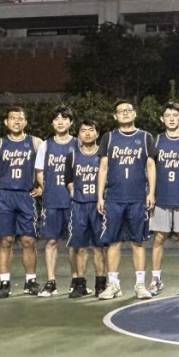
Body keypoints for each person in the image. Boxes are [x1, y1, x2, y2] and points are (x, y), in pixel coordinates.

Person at [96, 100, 157, 300]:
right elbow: (103, 168)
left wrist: (151, 192)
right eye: (121, 111)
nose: (125, 113)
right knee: (113, 242)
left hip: (137, 198)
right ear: (115, 116)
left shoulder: (145, 137)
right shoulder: (108, 138)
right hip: (114, 198)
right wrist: (100, 196)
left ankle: (140, 284)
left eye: (128, 110)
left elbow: (150, 166)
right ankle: (113, 284)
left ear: (135, 113)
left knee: (137, 242)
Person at [0, 107, 43, 298]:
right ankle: (4, 282)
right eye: (12, 118)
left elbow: (44, 167)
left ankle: (30, 281)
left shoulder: (36, 142)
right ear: (6, 122)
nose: (16, 121)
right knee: (6, 240)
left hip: (25, 195)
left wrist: (42, 187)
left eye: (20, 118)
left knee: (29, 240)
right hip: (5, 196)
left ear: (25, 122)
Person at [150, 102, 179, 296]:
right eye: (168, 115)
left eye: (175, 115)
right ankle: (156, 280)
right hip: (162, 197)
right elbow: (150, 168)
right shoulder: (157, 140)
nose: (171, 118)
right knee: (159, 238)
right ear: (162, 119)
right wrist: (150, 192)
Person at [35, 106, 76, 297]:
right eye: (57, 119)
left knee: (74, 242)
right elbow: (39, 171)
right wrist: (48, 189)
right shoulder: (45, 145)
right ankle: (51, 282)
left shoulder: (78, 143)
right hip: (52, 200)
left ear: (70, 122)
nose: (60, 122)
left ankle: (76, 280)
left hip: (74, 201)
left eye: (64, 118)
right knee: (51, 241)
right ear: (52, 123)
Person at [65, 121, 106, 298]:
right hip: (79, 206)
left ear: (97, 133)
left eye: (91, 130)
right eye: (83, 131)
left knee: (99, 247)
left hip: (98, 206)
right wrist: (75, 192)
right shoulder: (73, 155)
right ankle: (80, 283)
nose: (87, 133)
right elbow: (68, 180)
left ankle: (100, 284)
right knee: (80, 247)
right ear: (79, 135)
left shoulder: (103, 155)